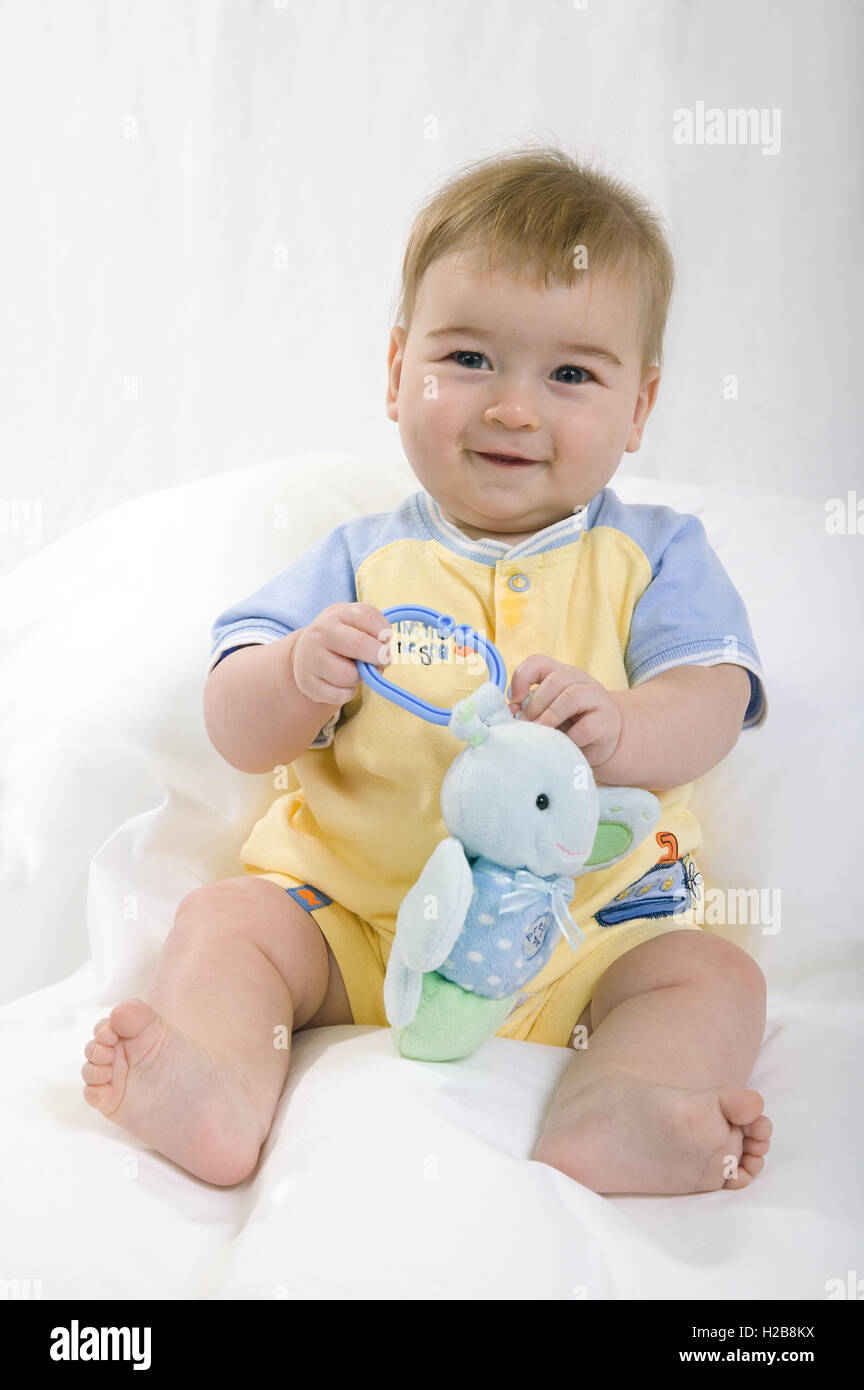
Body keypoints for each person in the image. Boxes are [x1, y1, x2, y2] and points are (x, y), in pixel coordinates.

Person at [81, 145, 772, 1195]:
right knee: (229, 922)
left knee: (712, 976)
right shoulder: (360, 558)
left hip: (589, 933)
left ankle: (624, 1104)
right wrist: (297, 675)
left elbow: (713, 702)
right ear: (398, 369)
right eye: (469, 360)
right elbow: (233, 718)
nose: (512, 408)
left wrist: (627, 725)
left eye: (573, 374)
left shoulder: (657, 554)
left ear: (642, 406)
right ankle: (216, 1083)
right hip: (354, 924)